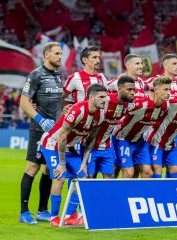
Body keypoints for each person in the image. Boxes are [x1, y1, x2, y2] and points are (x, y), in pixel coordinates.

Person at [40, 83, 107, 227]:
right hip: (52, 144)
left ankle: (70, 215)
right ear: (91, 97)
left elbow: (91, 139)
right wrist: (62, 164)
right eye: (101, 97)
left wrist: (84, 162)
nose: (104, 100)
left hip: (69, 147)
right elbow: (62, 137)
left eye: (105, 97)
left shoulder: (100, 114)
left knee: (82, 177)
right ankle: (54, 217)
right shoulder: (77, 110)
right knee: (60, 178)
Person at [19, 42, 63, 224]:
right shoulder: (36, 75)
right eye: (57, 53)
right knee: (33, 167)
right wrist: (40, 120)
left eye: (61, 53)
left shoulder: (59, 76)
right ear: (46, 55)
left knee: (47, 169)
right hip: (40, 130)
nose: (60, 56)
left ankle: (42, 210)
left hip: (55, 132)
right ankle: (24, 212)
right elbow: (24, 101)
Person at [112, 76, 171, 178]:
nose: (169, 92)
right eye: (165, 89)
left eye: (170, 89)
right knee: (128, 173)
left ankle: (144, 194)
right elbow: (120, 108)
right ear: (156, 90)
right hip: (122, 139)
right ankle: (122, 194)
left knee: (148, 173)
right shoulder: (140, 104)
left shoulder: (165, 106)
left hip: (139, 141)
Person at [88, 76, 136, 178]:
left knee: (110, 178)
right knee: (90, 178)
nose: (132, 92)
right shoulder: (105, 100)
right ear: (119, 90)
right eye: (129, 89)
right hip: (91, 146)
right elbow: (86, 107)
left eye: (133, 90)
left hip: (107, 146)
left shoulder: (128, 105)